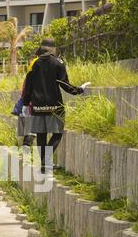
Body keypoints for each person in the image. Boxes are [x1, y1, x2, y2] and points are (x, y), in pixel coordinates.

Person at [23, 38, 90, 173]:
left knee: (41, 135)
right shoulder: (58, 63)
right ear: (52, 48)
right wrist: (79, 90)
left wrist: (25, 104)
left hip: (37, 106)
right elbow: (64, 84)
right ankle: (45, 161)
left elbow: (28, 86)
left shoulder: (33, 64)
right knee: (57, 133)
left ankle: (43, 164)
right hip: (54, 106)